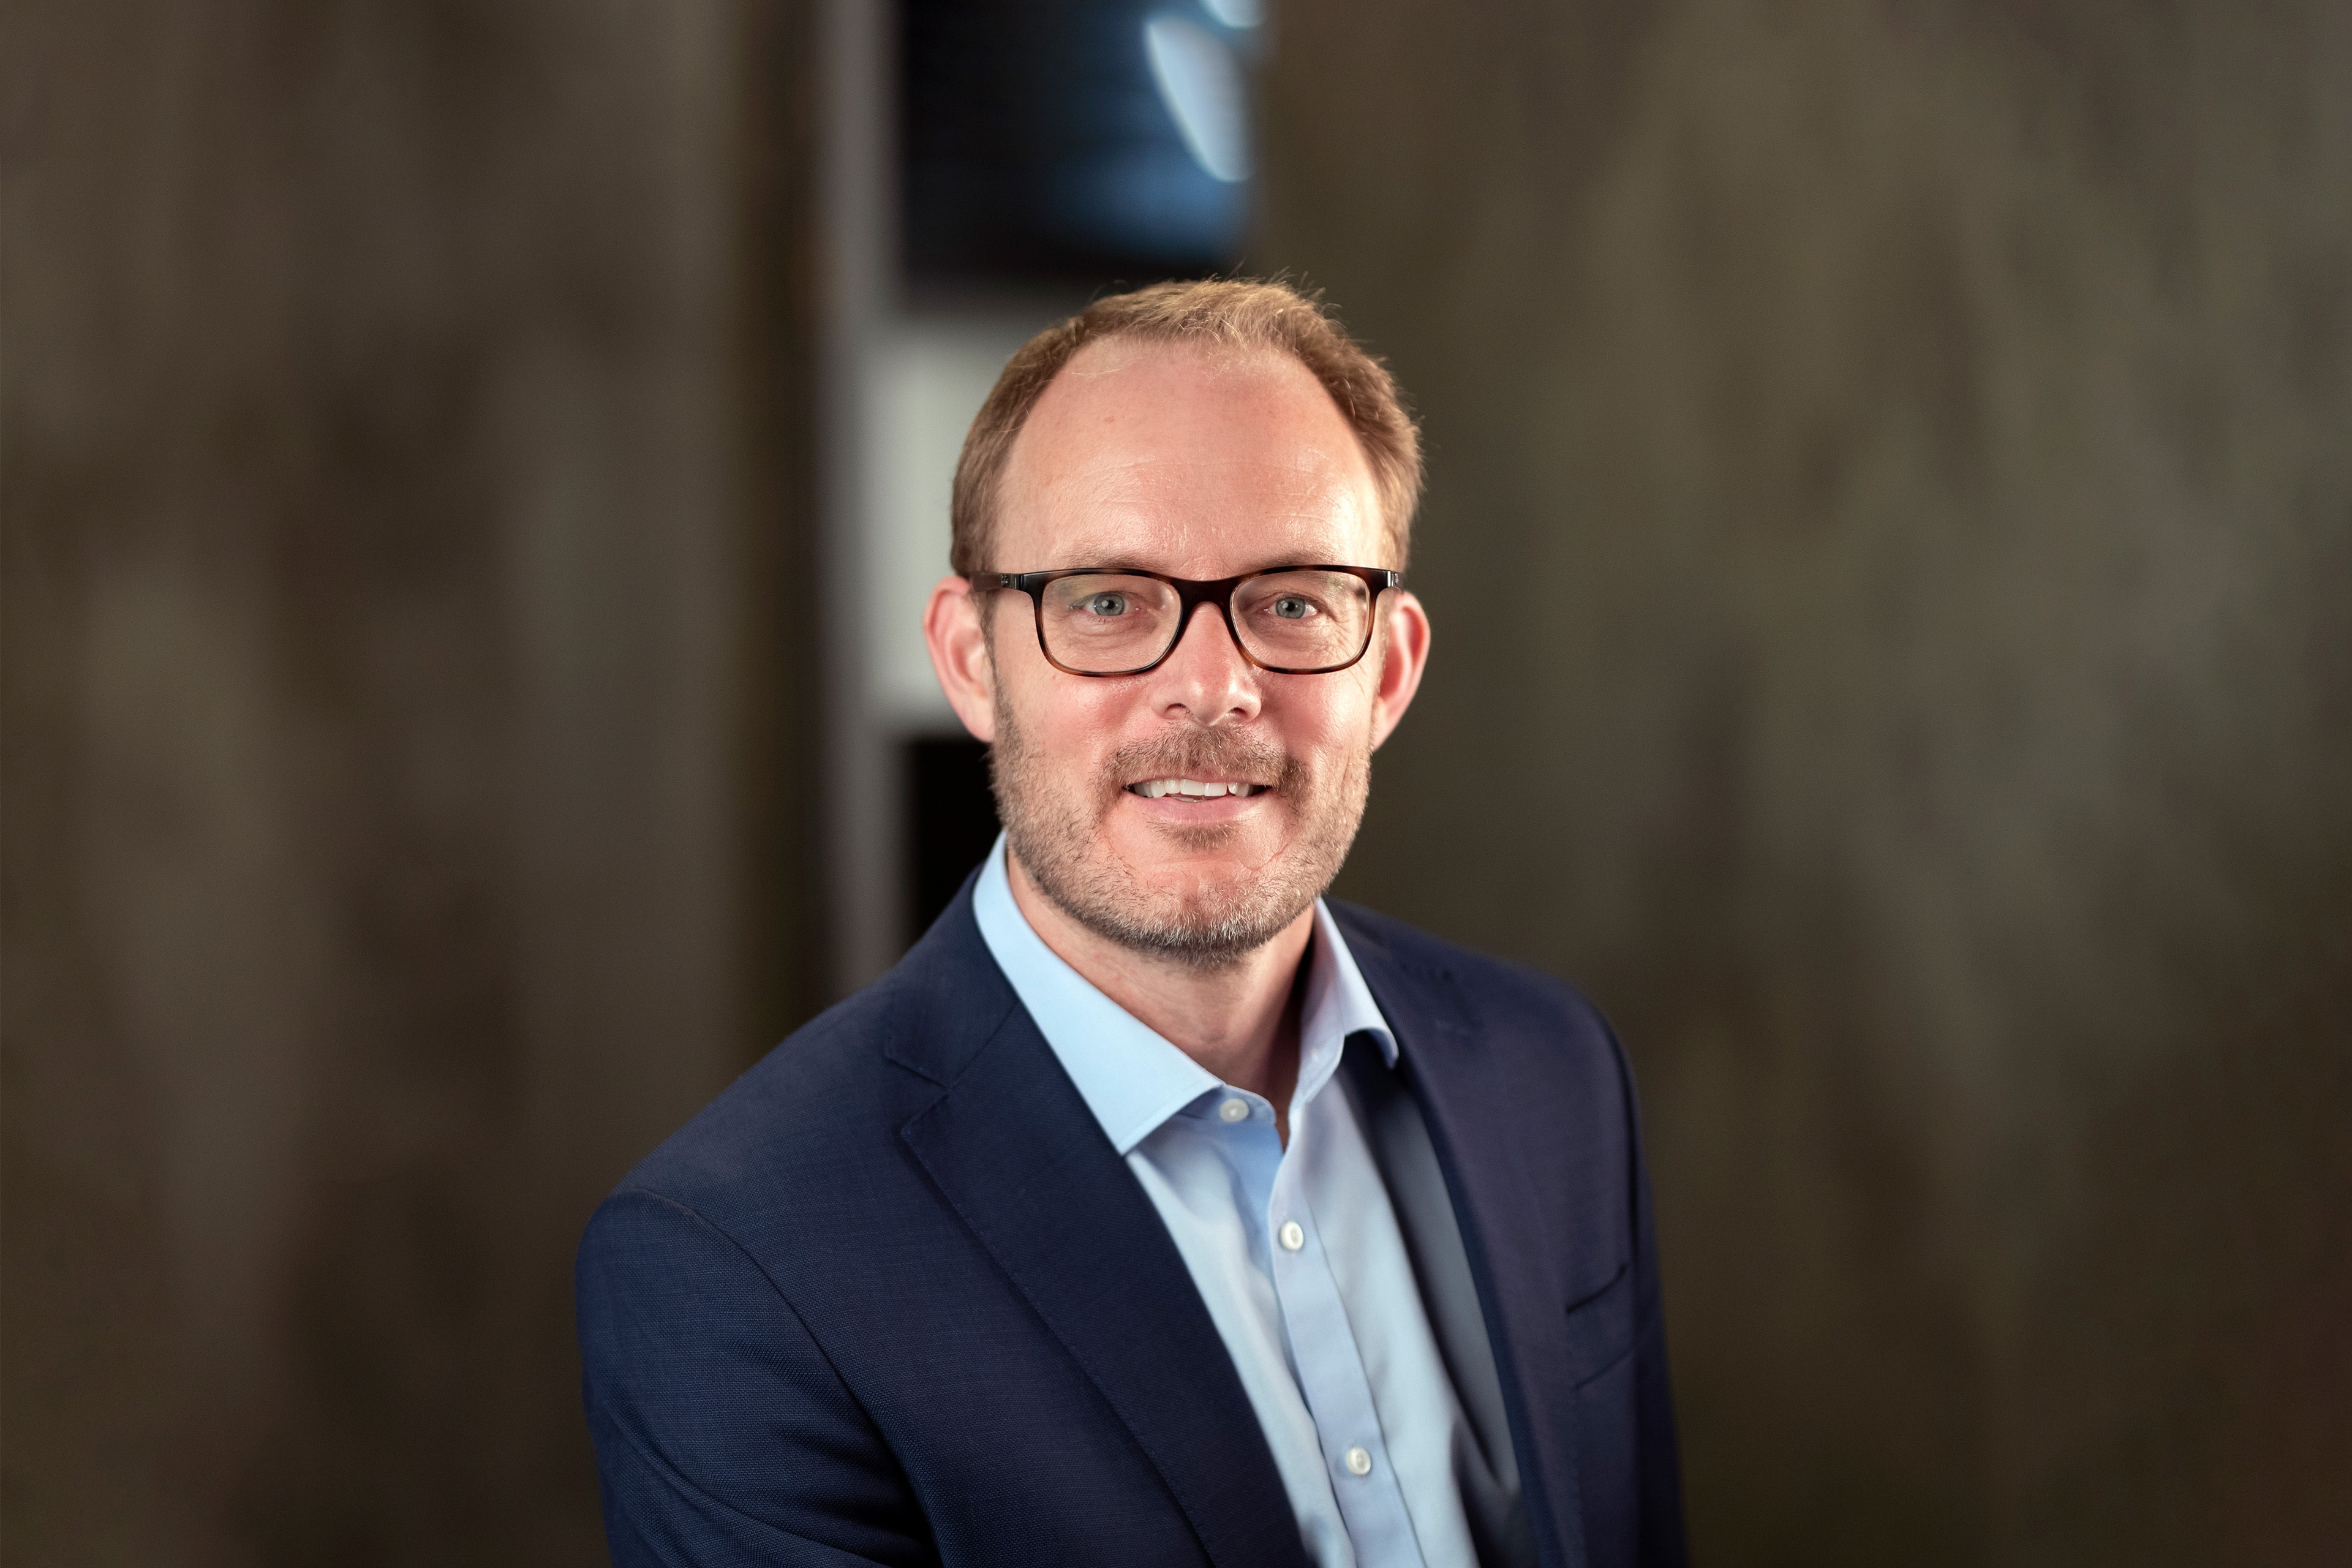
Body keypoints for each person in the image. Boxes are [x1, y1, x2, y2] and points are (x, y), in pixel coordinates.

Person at [576, 279, 1686, 1568]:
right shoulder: (736, 1264)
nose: (1211, 687)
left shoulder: (1555, 1074)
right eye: (1107, 601)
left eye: (1293, 600)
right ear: (972, 661)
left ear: (1387, 669)